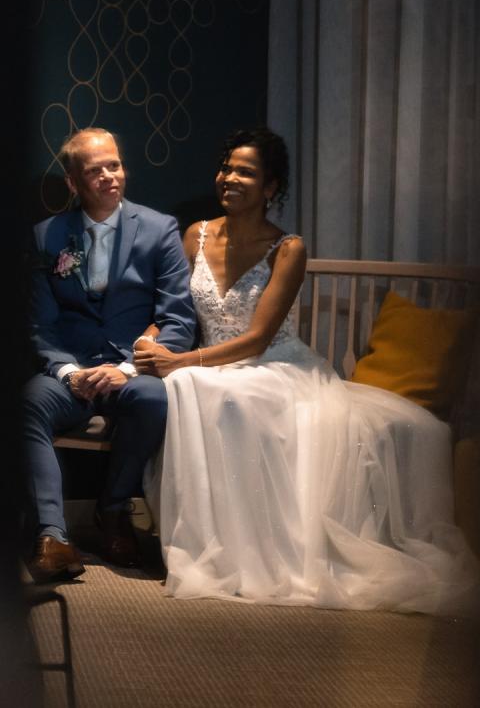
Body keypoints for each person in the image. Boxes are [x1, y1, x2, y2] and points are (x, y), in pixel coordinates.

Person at [133, 128, 479, 614]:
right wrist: (151, 339)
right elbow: (175, 311)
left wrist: (180, 361)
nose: (230, 178)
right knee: (194, 385)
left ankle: (246, 550)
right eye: (226, 167)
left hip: (273, 364)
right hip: (213, 360)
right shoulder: (197, 234)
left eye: (245, 172)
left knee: (202, 386)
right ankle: (207, 534)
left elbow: (257, 338)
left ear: (271, 187)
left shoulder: (289, 248)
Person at [24, 127, 196, 582]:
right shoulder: (46, 236)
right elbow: (40, 325)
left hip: (129, 369)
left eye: (114, 165)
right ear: (73, 183)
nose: (108, 176)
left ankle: (114, 511)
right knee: (27, 404)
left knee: (154, 400)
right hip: (70, 370)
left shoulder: (160, 230)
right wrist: (68, 372)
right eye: (94, 170)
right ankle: (53, 535)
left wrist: (126, 368)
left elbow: (179, 319)